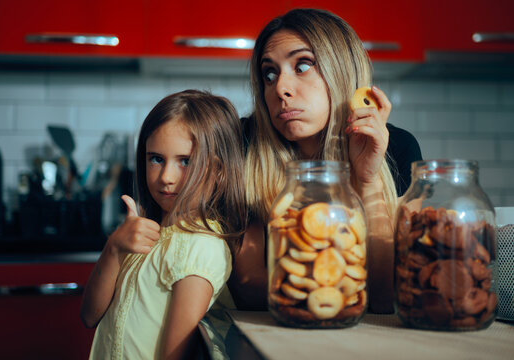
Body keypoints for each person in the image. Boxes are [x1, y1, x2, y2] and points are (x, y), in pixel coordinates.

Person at [227, 8, 422, 314]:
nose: (280, 88)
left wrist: (368, 179)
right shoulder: (243, 143)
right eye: (270, 73)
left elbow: (385, 297)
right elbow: (249, 287)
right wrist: (337, 294)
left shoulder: (396, 147)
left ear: (340, 69)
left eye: (302, 65)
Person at [80, 90, 247, 359]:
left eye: (185, 161)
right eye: (156, 159)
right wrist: (114, 248)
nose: (166, 177)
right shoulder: (143, 232)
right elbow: (89, 316)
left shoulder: (202, 246)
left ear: (218, 170)